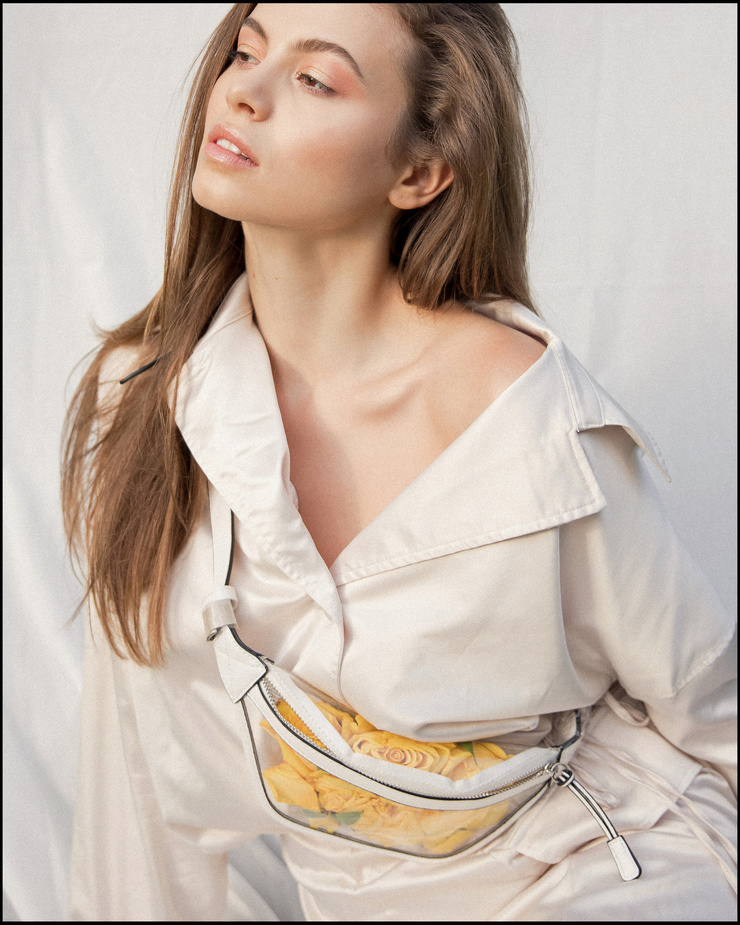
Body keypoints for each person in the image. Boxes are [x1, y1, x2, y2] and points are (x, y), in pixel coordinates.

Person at [62, 3, 736, 920]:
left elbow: (708, 701)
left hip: (602, 862)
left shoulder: (520, 411)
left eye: (314, 78)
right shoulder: (147, 400)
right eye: (247, 51)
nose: (244, 92)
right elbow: (139, 774)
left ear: (418, 171)